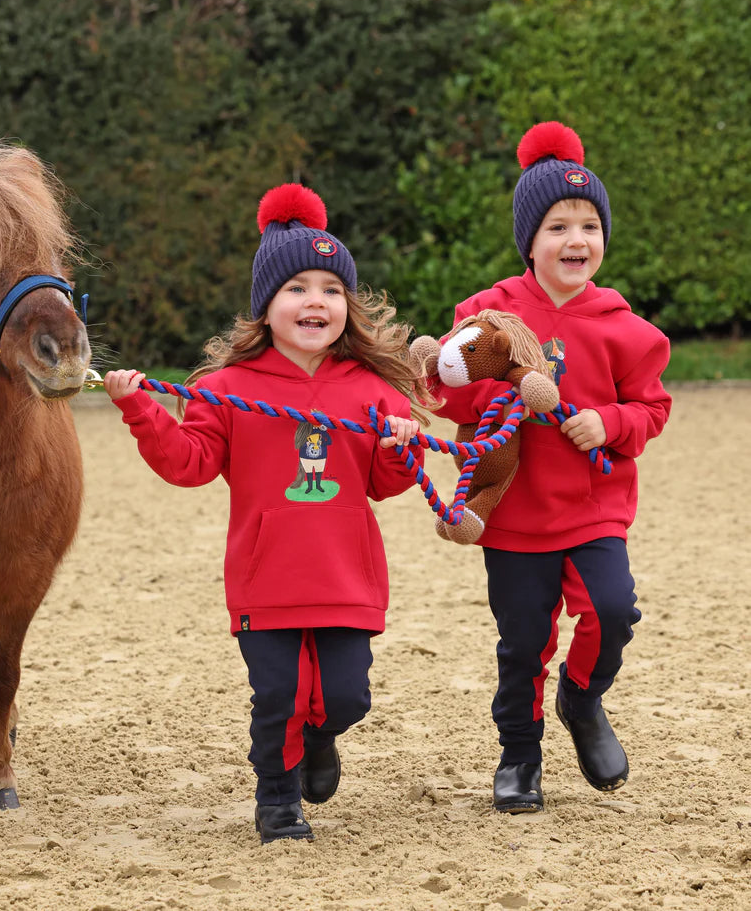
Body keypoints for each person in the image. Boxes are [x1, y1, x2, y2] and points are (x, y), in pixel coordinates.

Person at [104, 183, 435, 844]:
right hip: (266, 581)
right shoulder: (226, 390)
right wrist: (140, 408)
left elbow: (380, 483)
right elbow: (189, 462)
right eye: (298, 288)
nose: (317, 300)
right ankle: (278, 802)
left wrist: (403, 449)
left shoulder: (373, 391)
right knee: (277, 697)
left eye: (331, 289)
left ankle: (321, 738)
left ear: (347, 305)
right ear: (266, 305)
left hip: (347, 578)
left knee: (345, 697)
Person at [428, 121, 672, 814]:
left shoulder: (629, 328)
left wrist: (611, 421)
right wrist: (504, 393)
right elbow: (447, 392)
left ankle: (584, 698)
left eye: (589, 225)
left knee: (613, 611)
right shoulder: (486, 315)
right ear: (529, 240)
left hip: (594, 510)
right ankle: (519, 755)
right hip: (514, 517)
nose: (576, 240)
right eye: (558, 225)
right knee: (523, 643)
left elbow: (652, 408)